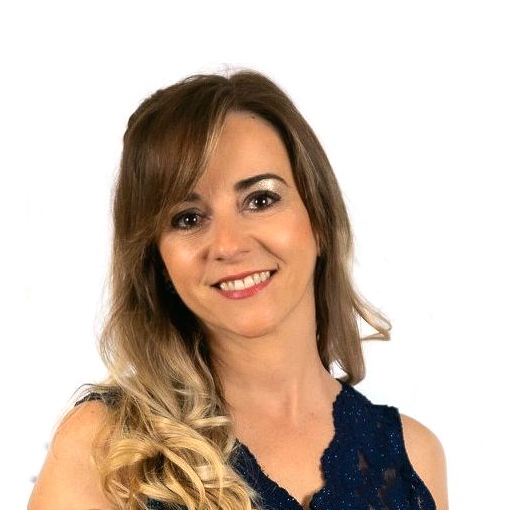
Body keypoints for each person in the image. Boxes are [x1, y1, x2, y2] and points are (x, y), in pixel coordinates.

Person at [28, 69, 448, 510]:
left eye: (260, 200)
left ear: (319, 219)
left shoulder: (415, 459)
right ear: (158, 261)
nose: (228, 245)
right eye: (188, 218)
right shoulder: (105, 450)